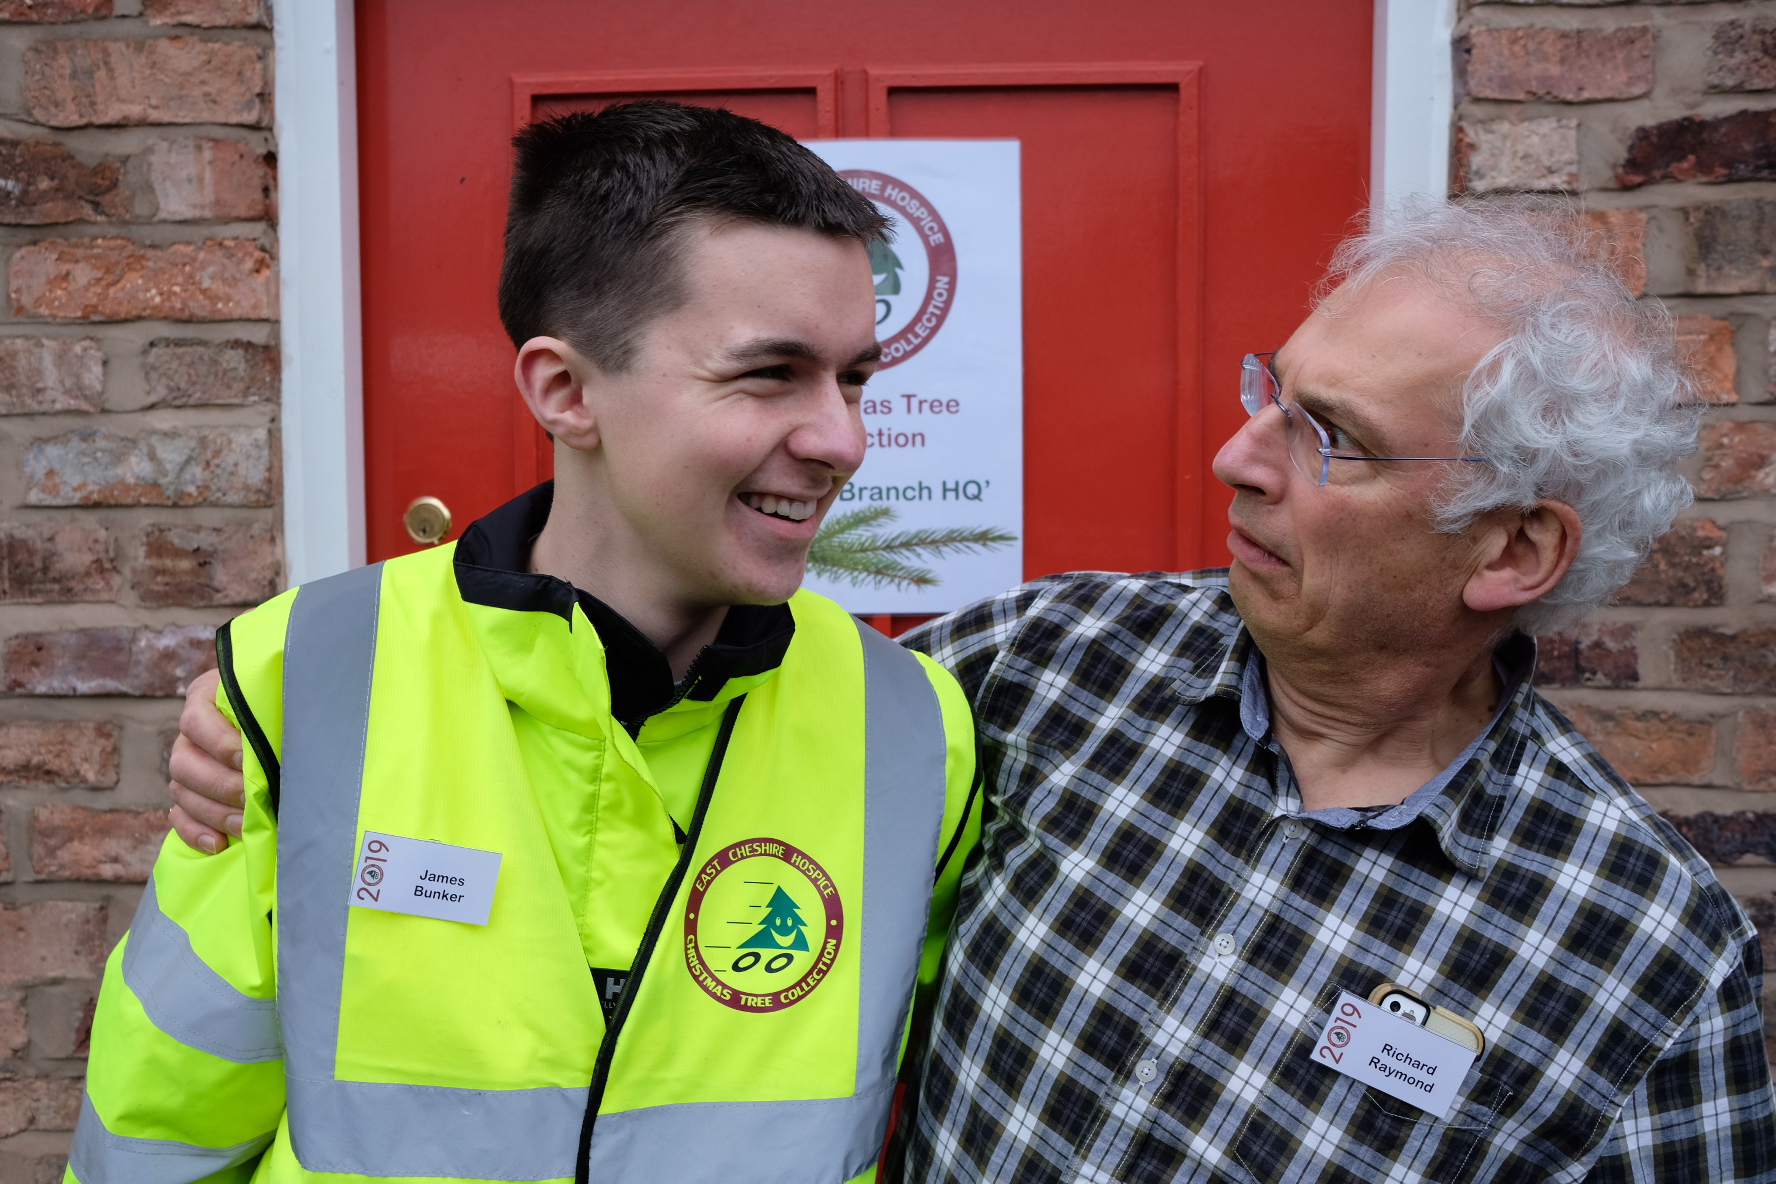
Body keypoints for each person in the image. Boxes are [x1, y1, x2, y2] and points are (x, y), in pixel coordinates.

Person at [168, 200, 1776, 1182]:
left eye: (1327, 438)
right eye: (1267, 396)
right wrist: (317, 711)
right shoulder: (1057, 663)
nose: (1238, 457)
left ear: (1512, 549)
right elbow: (691, 738)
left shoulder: (1641, 956)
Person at [71, 101, 980, 1184]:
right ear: (564, 390)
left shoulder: (920, 729)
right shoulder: (301, 678)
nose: (844, 439)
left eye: (856, 377)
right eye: (770, 372)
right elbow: (162, 1124)